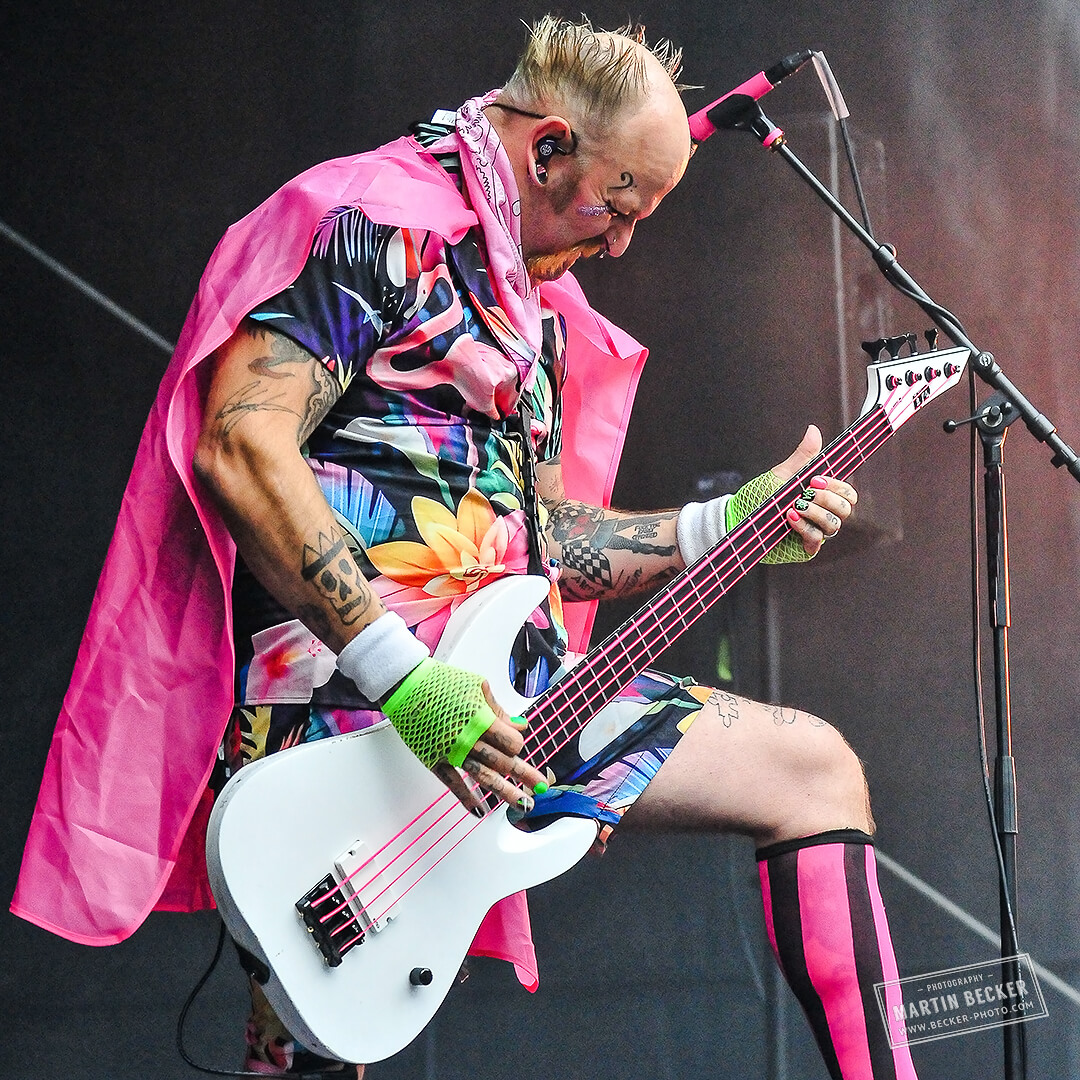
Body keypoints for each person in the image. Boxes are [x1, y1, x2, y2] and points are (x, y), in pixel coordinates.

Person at [13, 16, 918, 1080]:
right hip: (345, 705)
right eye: (619, 204)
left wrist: (729, 525)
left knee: (812, 772)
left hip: (505, 696)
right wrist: (404, 680)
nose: (621, 244)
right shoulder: (366, 222)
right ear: (548, 150)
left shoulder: (526, 303)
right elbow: (240, 446)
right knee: (311, 1048)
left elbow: (547, 541)